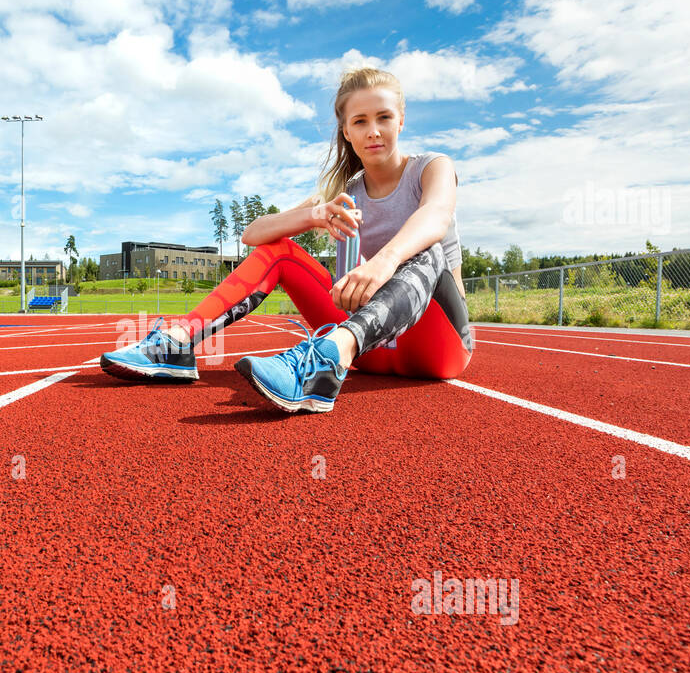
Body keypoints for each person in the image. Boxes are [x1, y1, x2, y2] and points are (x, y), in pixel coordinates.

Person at [100, 66, 475, 413]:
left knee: (428, 248)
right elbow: (253, 234)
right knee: (279, 249)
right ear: (346, 131)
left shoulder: (431, 167)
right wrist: (314, 215)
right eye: (360, 121)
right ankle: (178, 342)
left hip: (437, 347)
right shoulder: (344, 191)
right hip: (371, 347)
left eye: (384, 118)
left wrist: (383, 262)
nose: (373, 130)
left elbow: (435, 216)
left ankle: (324, 362)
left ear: (402, 120)